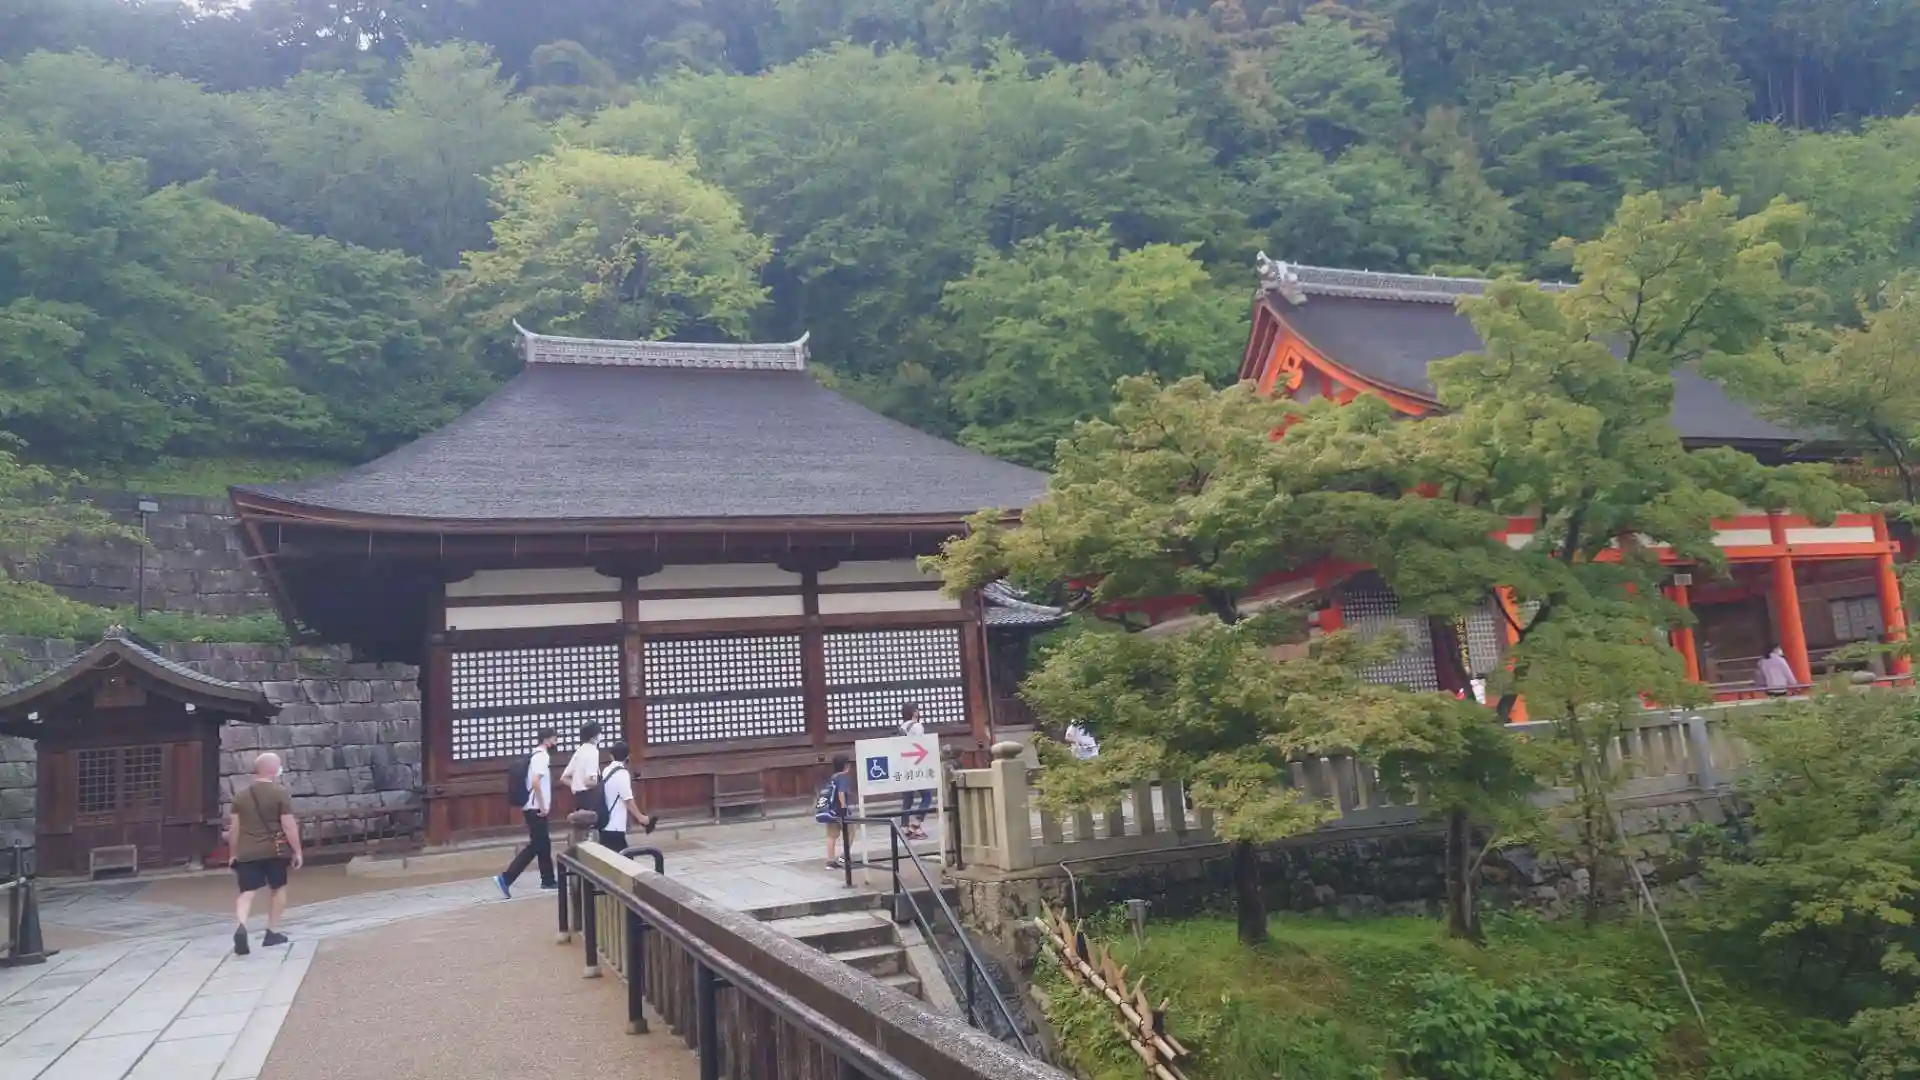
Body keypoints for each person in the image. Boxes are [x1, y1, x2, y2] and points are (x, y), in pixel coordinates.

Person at [228, 751, 303, 956]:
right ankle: (272, 932)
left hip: (247, 851)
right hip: (274, 850)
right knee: (278, 889)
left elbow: (234, 829)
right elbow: (288, 825)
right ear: (274, 770)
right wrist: (297, 851)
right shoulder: (280, 794)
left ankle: (241, 925)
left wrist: (233, 853)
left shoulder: (241, 797)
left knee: (246, 892)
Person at [494, 728, 558, 898]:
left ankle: (548, 879)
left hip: (532, 806)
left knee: (544, 843)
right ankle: (506, 878)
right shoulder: (542, 757)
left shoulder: (534, 756)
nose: (556, 743)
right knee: (536, 844)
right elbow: (536, 781)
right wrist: (542, 805)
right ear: (546, 740)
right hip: (536, 807)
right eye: (554, 739)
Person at [597, 741, 658, 851]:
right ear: (628, 756)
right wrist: (641, 818)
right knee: (623, 858)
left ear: (611, 755)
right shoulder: (622, 774)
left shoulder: (606, 771)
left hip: (604, 822)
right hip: (615, 825)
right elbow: (628, 800)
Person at [897, 703, 933, 840]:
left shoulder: (902, 727)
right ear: (914, 712)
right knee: (927, 796)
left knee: (908, 798)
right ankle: (917, 823)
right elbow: (920, 744)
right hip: (916, 764)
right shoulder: (917, 726)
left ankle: (904, 827)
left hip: (903, 766)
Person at [816, 754, 854, 870]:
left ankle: (830, 861)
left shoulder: (833, 777)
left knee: (831, 836)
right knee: (851, 832)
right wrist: (844, 807)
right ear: (846, 766)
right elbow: (841, 793)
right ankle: (844, 856)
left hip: (830, 811)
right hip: (840, 811)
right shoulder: (843, 778)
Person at [559, 720, 603, 813]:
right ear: (593, 736)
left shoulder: (579, 751)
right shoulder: (592, 751)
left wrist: (576, 785)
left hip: (578, 798)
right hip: (591, 798)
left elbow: (564, 778)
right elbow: (590, 781)